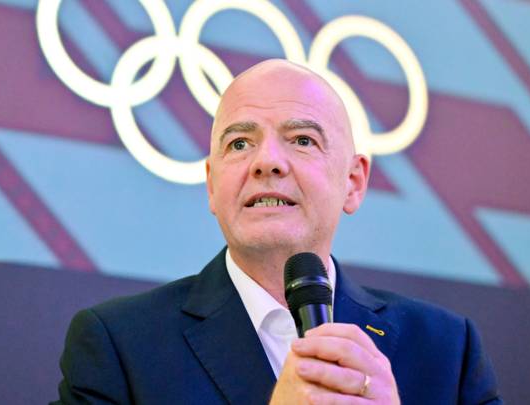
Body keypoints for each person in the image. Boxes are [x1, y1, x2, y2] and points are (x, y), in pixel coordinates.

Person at [52, 60, 501, 404]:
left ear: (354, 182)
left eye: (302, 140)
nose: (266, 162)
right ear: (212, 185)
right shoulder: (118, 346)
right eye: (240, 143)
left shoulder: (446, 350)